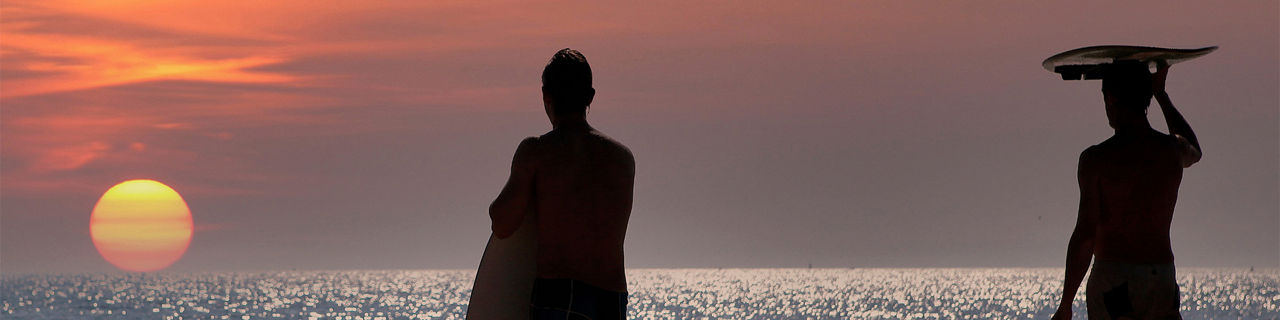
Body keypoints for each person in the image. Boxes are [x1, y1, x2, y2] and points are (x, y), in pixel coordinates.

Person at [489, 48, 635, 320]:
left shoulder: (537, 152)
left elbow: (503, 223)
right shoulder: (622, 159)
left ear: (546, 96)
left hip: (560, 297)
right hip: (612, 301)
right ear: (590, 97)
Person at [1052, 60, 1202, 320]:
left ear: (1110, 98)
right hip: (1161, 277)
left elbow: (1085, 234)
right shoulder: (1171, 151)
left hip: (1115, 280)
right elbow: (1194, 149)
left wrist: (1066, 303)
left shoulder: (1097, 160)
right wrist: (1161, 95)